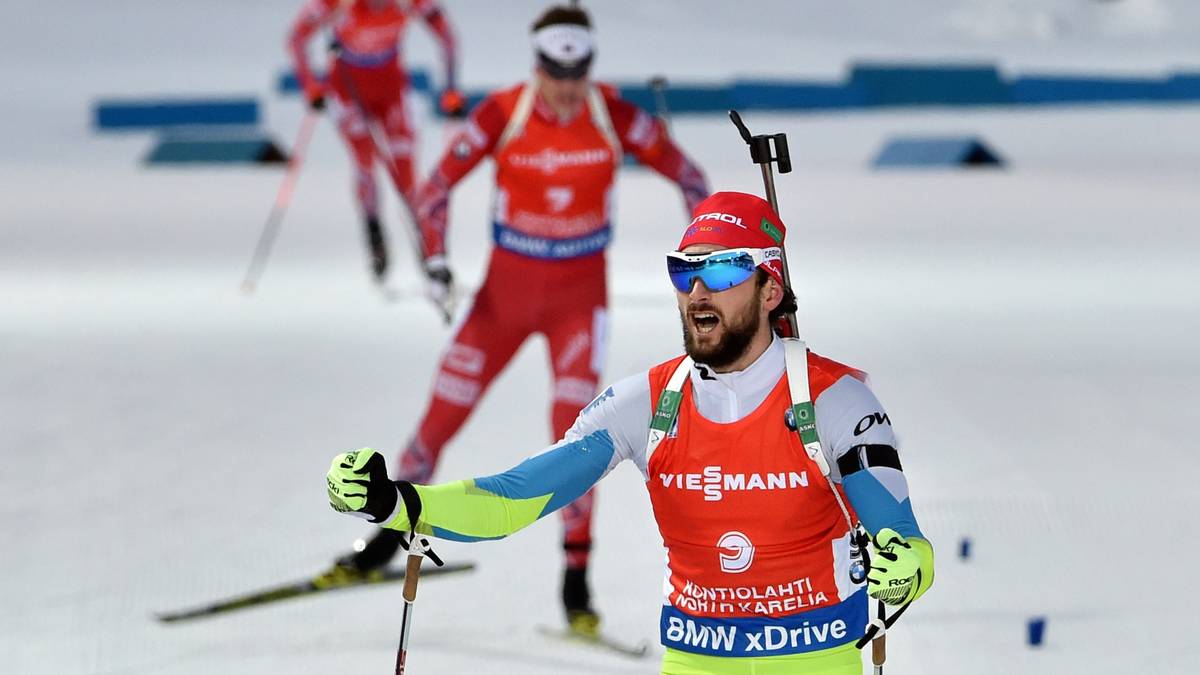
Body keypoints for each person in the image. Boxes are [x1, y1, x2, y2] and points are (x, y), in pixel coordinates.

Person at [326, 191, 935, 674]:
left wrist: (903, 563)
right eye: (684, 272)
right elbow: (514, 498)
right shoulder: (646, 403)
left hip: (816, 660)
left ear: (769, 287)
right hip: (696, 660)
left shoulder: (833, 399)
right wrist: (398, 501)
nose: (697, 293)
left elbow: (904, 540)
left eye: (722, 273)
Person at [320, 3, 709, 636]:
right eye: (555, 72)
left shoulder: (614, 113)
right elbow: (434, 187)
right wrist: (438, 261)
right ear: (537, 65)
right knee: (440, 417)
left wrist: (698, 262)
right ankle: (384, 541)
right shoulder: (506, 110)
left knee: (579, 441)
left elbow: (692, 178)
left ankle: (575, 584)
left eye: (577, 71)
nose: (565, 88)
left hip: (578, 302)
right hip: (503, 297)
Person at [287, 0, 462, 283]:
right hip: (349, 93)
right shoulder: (339, 4)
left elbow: (447, 36)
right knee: (365, 161)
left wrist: (452, 88)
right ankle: (374, 233)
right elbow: (296, 37)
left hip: (391, 92)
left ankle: (429, 248)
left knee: (405, 172)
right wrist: (310, 86)